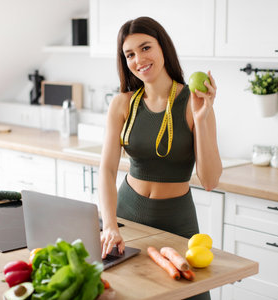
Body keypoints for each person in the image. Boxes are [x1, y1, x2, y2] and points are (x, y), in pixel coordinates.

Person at [99, 16, 222, 300]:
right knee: (128, 293)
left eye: (145, 48)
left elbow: (210, 180)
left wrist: (202, 119)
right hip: (128, 218)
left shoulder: (195, 102)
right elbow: (106, 170)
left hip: (177, 222)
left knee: (189, 294)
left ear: (162, 48)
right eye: (130, 54)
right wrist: (110, 225)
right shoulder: (122, 104)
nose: (139, 59)